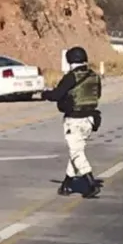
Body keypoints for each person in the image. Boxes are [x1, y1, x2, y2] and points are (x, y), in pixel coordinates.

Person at [41, 46, 102, 199]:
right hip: (89, 120)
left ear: (70, 60)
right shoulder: (94, 76)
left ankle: (90, 183)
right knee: (76, 152)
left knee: (76, 152)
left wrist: (44, 93)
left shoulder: (71, 77)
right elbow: (98, 95)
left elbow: (57, 95)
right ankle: (66, 185)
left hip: (74, 120)